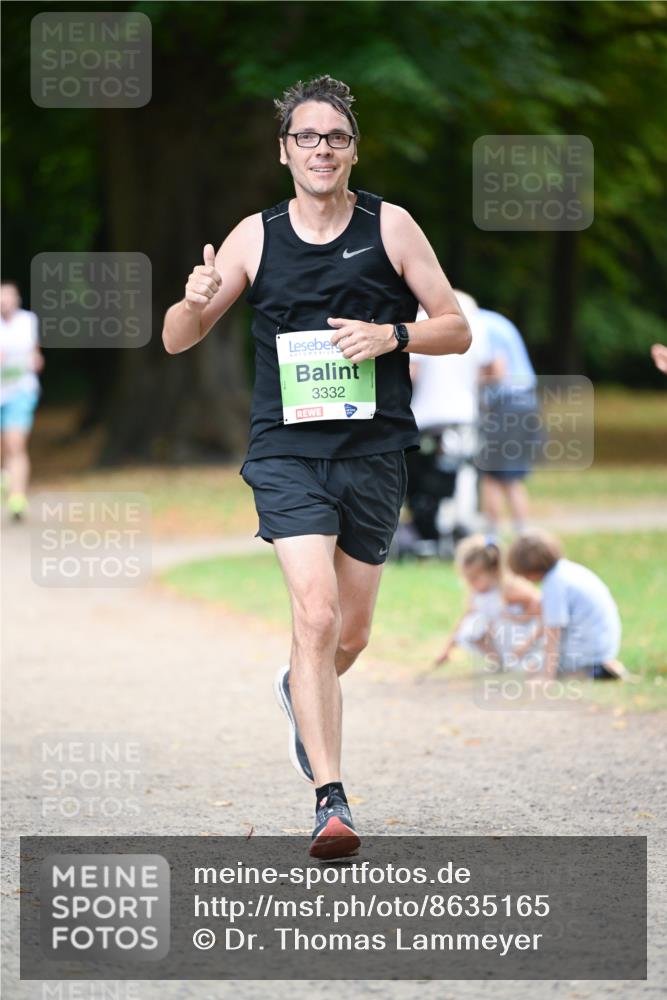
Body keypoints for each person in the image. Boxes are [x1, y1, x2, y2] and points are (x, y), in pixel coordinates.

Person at [162, 75, 471, 859]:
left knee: (352, 633)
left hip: (373, 452)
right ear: (283, 151)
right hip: (286, 452)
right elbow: (176, 338)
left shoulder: (389, 225)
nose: (321, 149)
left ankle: (299, 688)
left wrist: (391, 336)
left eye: (334, 137)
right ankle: (330, 801)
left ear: (352, 149)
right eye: (306, 137)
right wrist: (194, 299)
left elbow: (455, 327)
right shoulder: (254, 235)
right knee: (317, 613)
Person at [406, 293, 493, 550]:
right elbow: (484, 373)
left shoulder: (420, 323)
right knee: (461, 474)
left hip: (428, 415)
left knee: (426, 479)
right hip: (464, 414)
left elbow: (412, 372)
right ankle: (458, 529)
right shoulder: (476, 326)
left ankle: (428, 533)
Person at [507, 530, 638, 681]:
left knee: (532, 667)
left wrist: (547, 676)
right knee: (534, 661)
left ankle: (593, 670)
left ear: (530, 571)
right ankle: (598, 666)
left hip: (589, 651)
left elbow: (553, 632)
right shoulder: (565, 571)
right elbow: (547, 620)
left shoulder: (554, 585)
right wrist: (526, 645)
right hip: (602, 646)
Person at [432, 535, 543, 673]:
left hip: (522, 637)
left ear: (494, 570)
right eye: (467, 578)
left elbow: (540, 604)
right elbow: (464, 620)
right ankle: (499, 661)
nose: (471, 583)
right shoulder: (477, 594)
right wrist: (447, 650)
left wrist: (523, 619)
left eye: (475, 578)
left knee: (490, 621)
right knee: (470, 626)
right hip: (502, 639)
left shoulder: (508, 589)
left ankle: (522, 658)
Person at [476, 308, 539, 537]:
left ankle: (492, 537)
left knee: (490, 474)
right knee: (511, 476)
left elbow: (498, 371)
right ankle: (523, 535)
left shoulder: (480, 326)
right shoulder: (496, 320)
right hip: (526, 401)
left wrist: (469, 381)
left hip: (506, 406)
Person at [0, 280, 44, 521]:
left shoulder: (28, 321)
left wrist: (36, 360)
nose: (4, 302)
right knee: (5, 447)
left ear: (17, 300)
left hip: (21, 390)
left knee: (15, 443)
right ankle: (7, 477)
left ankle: (17, 497)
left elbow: (35, 352)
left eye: (8, 297)